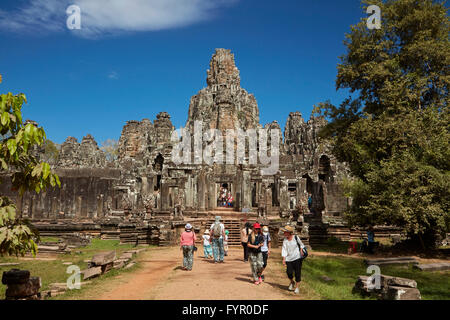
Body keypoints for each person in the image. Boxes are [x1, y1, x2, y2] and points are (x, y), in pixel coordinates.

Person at [281, 225, 305, 294]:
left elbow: (301, 244)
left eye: (285, 232)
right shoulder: (285, 240)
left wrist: (301, 250)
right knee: (289, 272)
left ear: (289, 232)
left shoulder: (296, 237)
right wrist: (284, 259)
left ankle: (297, 287)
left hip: (297, 258)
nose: (284, 233)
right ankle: (292, 282)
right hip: (289, 259)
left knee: (297, 273)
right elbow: (284, 250)